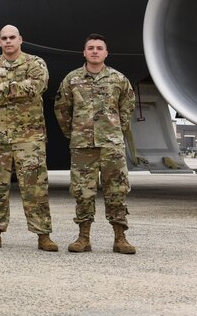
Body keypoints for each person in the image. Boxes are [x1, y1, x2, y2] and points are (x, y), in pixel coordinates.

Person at [0, 25, 58, 251]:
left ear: (20, 39)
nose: (8, 41)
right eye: (4, 38)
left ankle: (43, 234)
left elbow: (38, 86)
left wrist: (2, 88)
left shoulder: (35, 63)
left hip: (29, 136)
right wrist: (19, 89)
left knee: (35, 187)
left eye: (12, 37)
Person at [54, 34, 137, 254]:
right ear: (84, 52)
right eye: (90, 48)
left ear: (106, 53)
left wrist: (115, 130)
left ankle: (120, 238)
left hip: (111, 146)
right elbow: (62, 109)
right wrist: (74, 133)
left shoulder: (119, 79)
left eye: (99, 48)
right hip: (82, 146)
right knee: (83, 191)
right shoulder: (72, 79)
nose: (94, 51)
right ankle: (83, 238)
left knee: (117, 190)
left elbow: (127, 108)